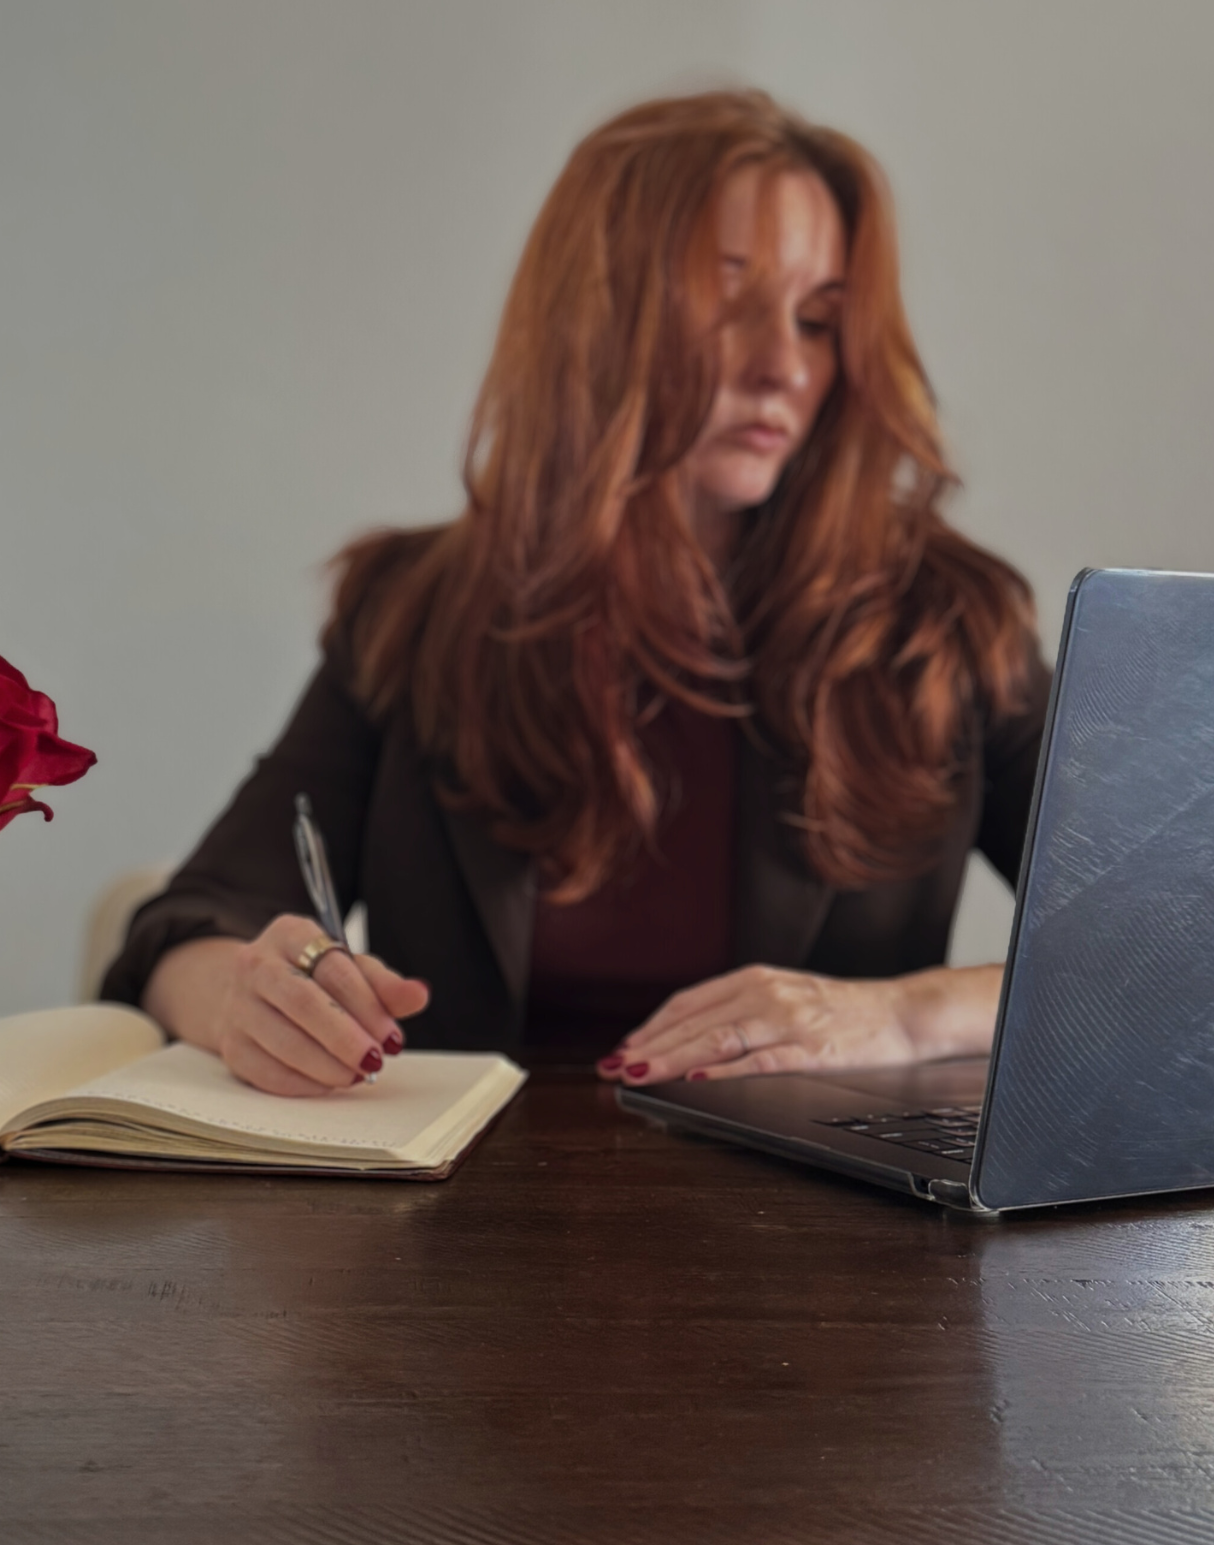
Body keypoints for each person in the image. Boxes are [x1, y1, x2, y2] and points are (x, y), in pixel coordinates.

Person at [101, 89, 1049, 1097]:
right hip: (466, 1228)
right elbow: (184, 929)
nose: (783, 369)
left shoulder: (945, 622)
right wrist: (251, 994)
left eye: (819, 322)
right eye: (730, 306)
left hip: (824, 1237)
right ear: (596, 316)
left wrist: (901, 1014)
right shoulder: (415, 611)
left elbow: (1180, 952)